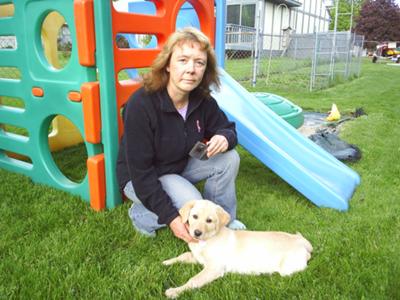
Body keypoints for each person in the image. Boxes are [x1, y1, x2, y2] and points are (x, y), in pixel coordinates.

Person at [116, 27, 245, 242]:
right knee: (190, 203)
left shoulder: (202, 100)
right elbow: (141, 173)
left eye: (199, 62)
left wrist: (224, 137)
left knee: (229, 158)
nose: (191, 69)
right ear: (168, 64)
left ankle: (223, 220)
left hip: (179, 164)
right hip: (141, 177)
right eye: (183, 60)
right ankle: (141, 215)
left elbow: (228, 128)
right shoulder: (141, 104)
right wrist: (173, 219)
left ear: (205, 69)